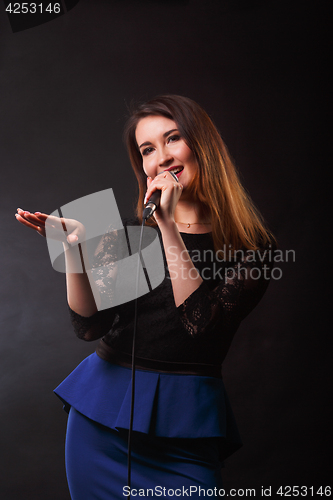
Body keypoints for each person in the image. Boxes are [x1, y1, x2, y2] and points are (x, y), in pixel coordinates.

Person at [15, 95, 275, 499]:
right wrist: (74, 251)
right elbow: (89, 326)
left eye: (173, 139)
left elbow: (199, 325)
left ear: (202, 145)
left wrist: (167, 226)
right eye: (147, 150)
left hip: (185, 424)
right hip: (101, 421)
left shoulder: (253, 248)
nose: (162, 158)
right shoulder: (128, 231)